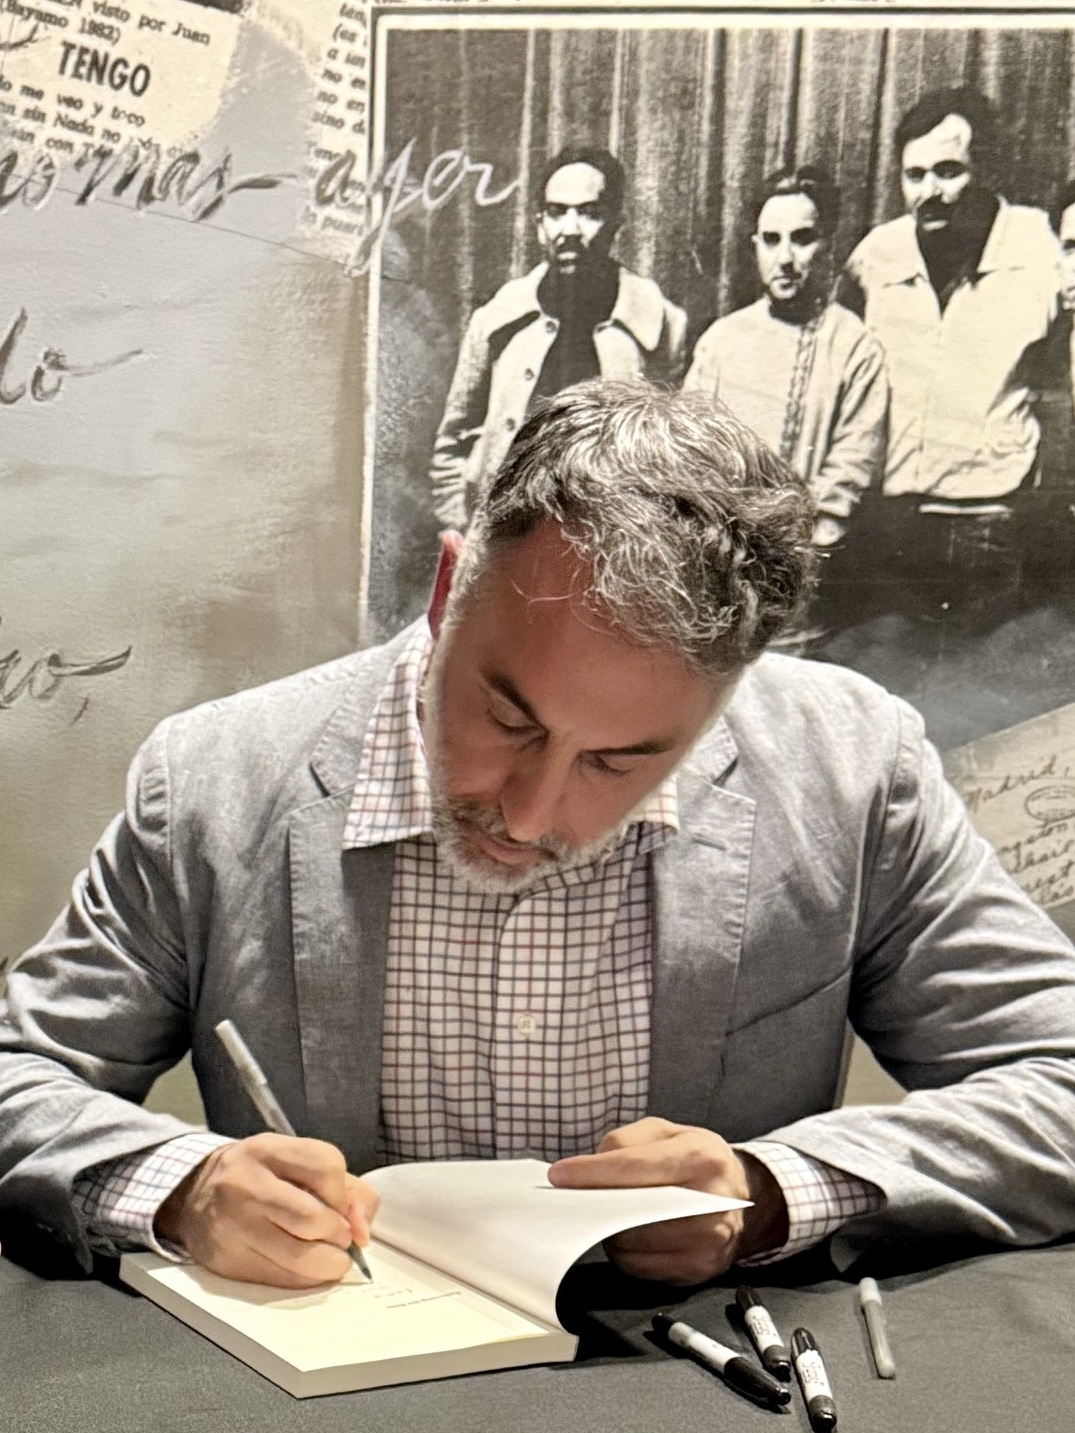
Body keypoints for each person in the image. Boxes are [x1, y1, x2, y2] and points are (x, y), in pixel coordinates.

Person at [2, 380, 1075, 1293]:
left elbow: (1057, 1079)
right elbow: (20, 1075)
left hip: (704, 1399)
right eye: (508, 718)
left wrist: (769, 1192)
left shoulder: (849, 767)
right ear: (447, 590)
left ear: (724, 699)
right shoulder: (214, 780)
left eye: (619, 761)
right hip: (323, 1395)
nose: (527, 813)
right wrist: (181, 1189)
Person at [843, 87, 1061, 629]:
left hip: (991, 517)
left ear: (986, 170)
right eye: (914, 175)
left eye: (949, 172)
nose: (930, 192)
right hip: (892, 517)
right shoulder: (876, 255)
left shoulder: (1042, 246)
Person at [429, 147, 687, 532]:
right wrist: (462, 531)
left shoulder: (661, 324)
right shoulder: (499, 318)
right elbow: (453, 443)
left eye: (589, 213)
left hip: (609, 538)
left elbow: (672, 456)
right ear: (539, 224)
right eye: (556, 212)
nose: (570, 229)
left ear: (616, 224)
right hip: (509, 535)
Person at [685, 166, 888, 552]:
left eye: (802, 239)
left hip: (807, 551)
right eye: (771, 240)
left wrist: (797, 540)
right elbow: (690, 452)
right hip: (721, 547)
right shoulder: (721, 340)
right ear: (755, 245)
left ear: (827, 244)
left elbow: (851, 464)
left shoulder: (855, 345)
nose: (785, 258)